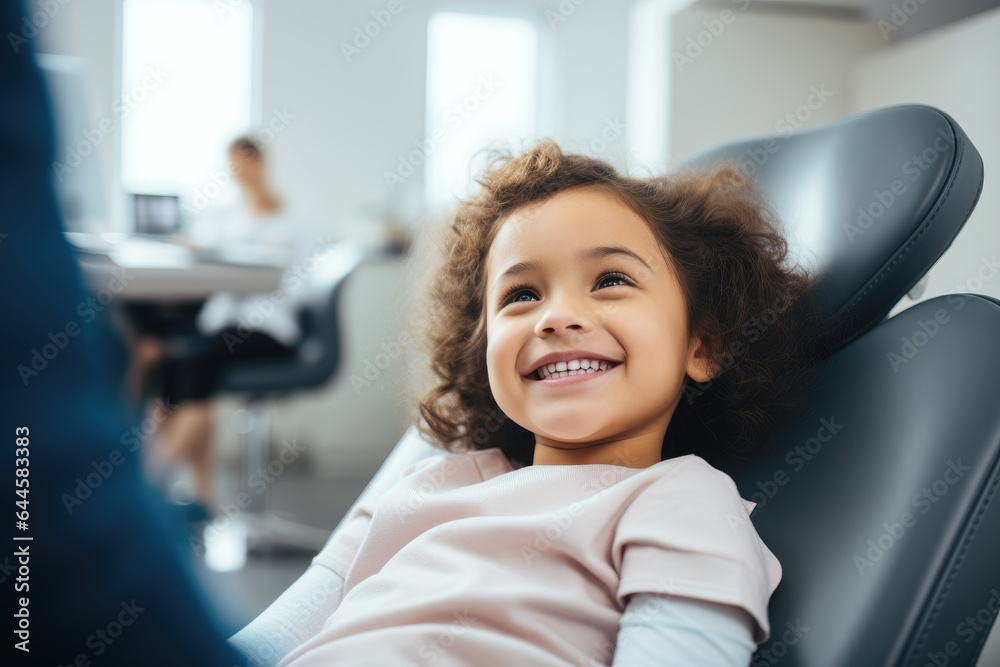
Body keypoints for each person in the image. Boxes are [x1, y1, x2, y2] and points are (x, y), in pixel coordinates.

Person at [228, 139, 826, 666]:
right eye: (521, 294)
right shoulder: (426, 483)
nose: (557, 316)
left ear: (704, 344)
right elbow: (269, 640)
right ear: (483, 348)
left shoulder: (681, 500)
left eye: (612, 280)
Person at [0, 0, 245, 663]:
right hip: (213, 318)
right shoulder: (233, 209)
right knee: (154, 348)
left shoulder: (271, 216)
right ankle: (165, 482)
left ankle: (161, 477)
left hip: (254, 324)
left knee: (179, 358)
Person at [134, 136, 309, 510]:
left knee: (199, 362)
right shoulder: (228, 218)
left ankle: (144, 491)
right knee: (174, 364)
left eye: (246, 163)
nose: (240, 172)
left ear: (262, 164)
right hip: (224, 325)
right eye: (233, 165)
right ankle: (200, 497)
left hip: (269, 330)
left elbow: (297, 288)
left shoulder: (291, 222)